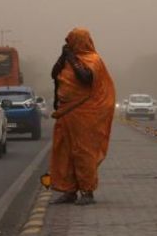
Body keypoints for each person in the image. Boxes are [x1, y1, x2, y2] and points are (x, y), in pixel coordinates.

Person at [48, 28, 116, 206]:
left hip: (85, 114)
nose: (68, 44)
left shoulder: (93, 60)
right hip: (66, 113)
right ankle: (69, 191)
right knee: (64, 152)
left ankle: (87, 192)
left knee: (83, 152)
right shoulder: (67, 61)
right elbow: (54, 74)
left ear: (80, 41)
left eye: (71, 41)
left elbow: (85, 78)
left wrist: (71, 57)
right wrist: (64, 57)